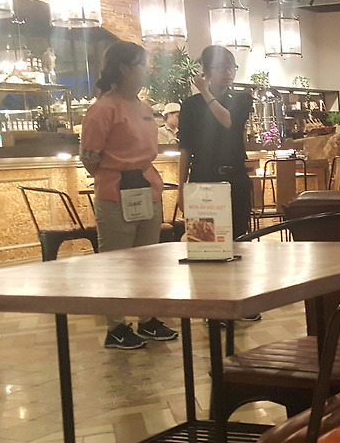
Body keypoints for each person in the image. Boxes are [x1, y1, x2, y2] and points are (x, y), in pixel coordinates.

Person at [80, 41, 179, 350]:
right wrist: (114, 174)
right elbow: (89, 157)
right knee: (116, 262)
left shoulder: (144, 108)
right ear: (124, 69)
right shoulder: (102, 109)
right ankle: (116, 326)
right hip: (115, 193)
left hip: (147, 188)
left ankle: (148, 319)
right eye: (142, 64)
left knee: (148, 261)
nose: (148, 70)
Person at [178, 46, 254, 239]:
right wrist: (181, 188)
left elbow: (228, 121)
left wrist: (205, 91)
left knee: (239, 241)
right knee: (204, 243)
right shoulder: (190, 105)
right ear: (207, 71)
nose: (229, 72)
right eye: (222, 67)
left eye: (232, 67)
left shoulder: (242, 99)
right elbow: (185, 149)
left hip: (235, 179)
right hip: (203, 178)